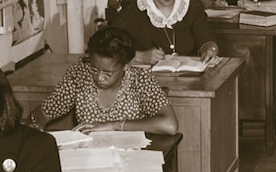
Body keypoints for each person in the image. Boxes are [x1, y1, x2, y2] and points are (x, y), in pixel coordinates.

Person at [32, 26, 179, 135]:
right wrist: (37, 123)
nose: (99, 77)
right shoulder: (79, 75)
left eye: (108, 73)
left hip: (131, 156)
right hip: (89, 156)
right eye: (94, 69)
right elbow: (45, 112)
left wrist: (114, 126)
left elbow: (169, 125)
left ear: (126, 66)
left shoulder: (140, 80)